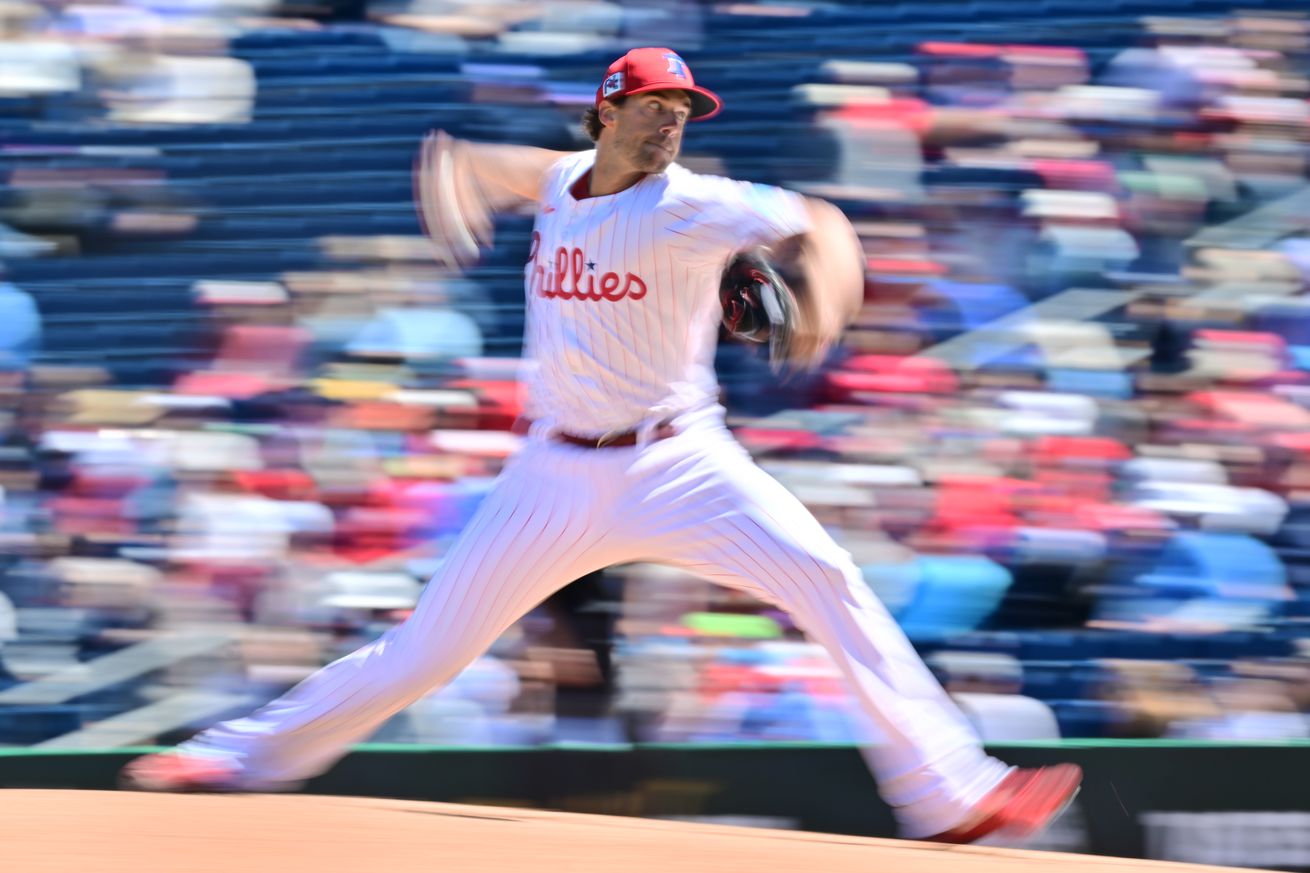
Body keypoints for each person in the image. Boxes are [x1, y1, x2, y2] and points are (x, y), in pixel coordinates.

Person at [121, 46, 1080, 844]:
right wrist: (453, 169)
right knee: (426, 652)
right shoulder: (557, 182)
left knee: (829, 581)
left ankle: (949, 791)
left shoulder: (691, 203)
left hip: (680, 462)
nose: (671, 123)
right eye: (654, 105)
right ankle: (235, 756)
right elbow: (501, 167)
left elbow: (820, 225)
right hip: (551, 472)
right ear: (606, 112)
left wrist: (824, 311)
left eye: (682, 110)